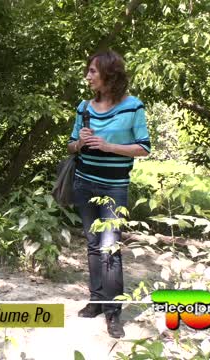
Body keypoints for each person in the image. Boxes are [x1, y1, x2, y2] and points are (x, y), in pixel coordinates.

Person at [67, 50, 151, 338]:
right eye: (88, 71)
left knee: (110, 247)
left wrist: (108, 146)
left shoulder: (133, 107)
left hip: (115, 187)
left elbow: (144, 147)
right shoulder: (83, 107)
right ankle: (97, 301)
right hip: (84, 183)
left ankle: (114, 312)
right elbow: (70, 145)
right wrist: (81, 143)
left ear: (109, 74)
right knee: (93, 244)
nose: (87, 76)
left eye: (92, 71)